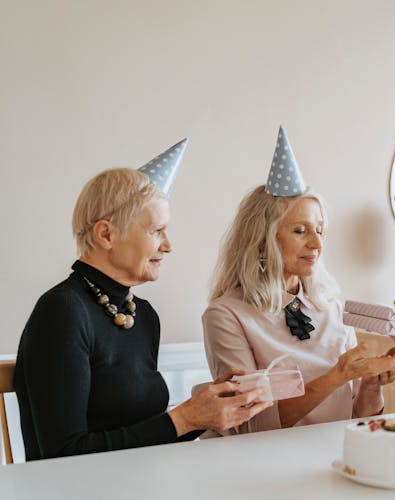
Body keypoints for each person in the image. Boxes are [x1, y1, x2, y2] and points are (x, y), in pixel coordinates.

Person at [13, 140, 271, 460]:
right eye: (157, 231)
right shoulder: (62, 312)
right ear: (106, 235)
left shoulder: (142, 315)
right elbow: (63, 453)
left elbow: (143, 437)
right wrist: (186, 418)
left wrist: (207, 411)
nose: (168, 245)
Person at [202, 126, 395, 433]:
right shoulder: (226, 315)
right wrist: (338, 374)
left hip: (333, 459)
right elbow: (251, 425)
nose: (316, 244)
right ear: (262, 240)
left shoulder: (331, 308)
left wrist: (370, 386)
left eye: (319, 230)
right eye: (300, 231)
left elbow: (360, 422)